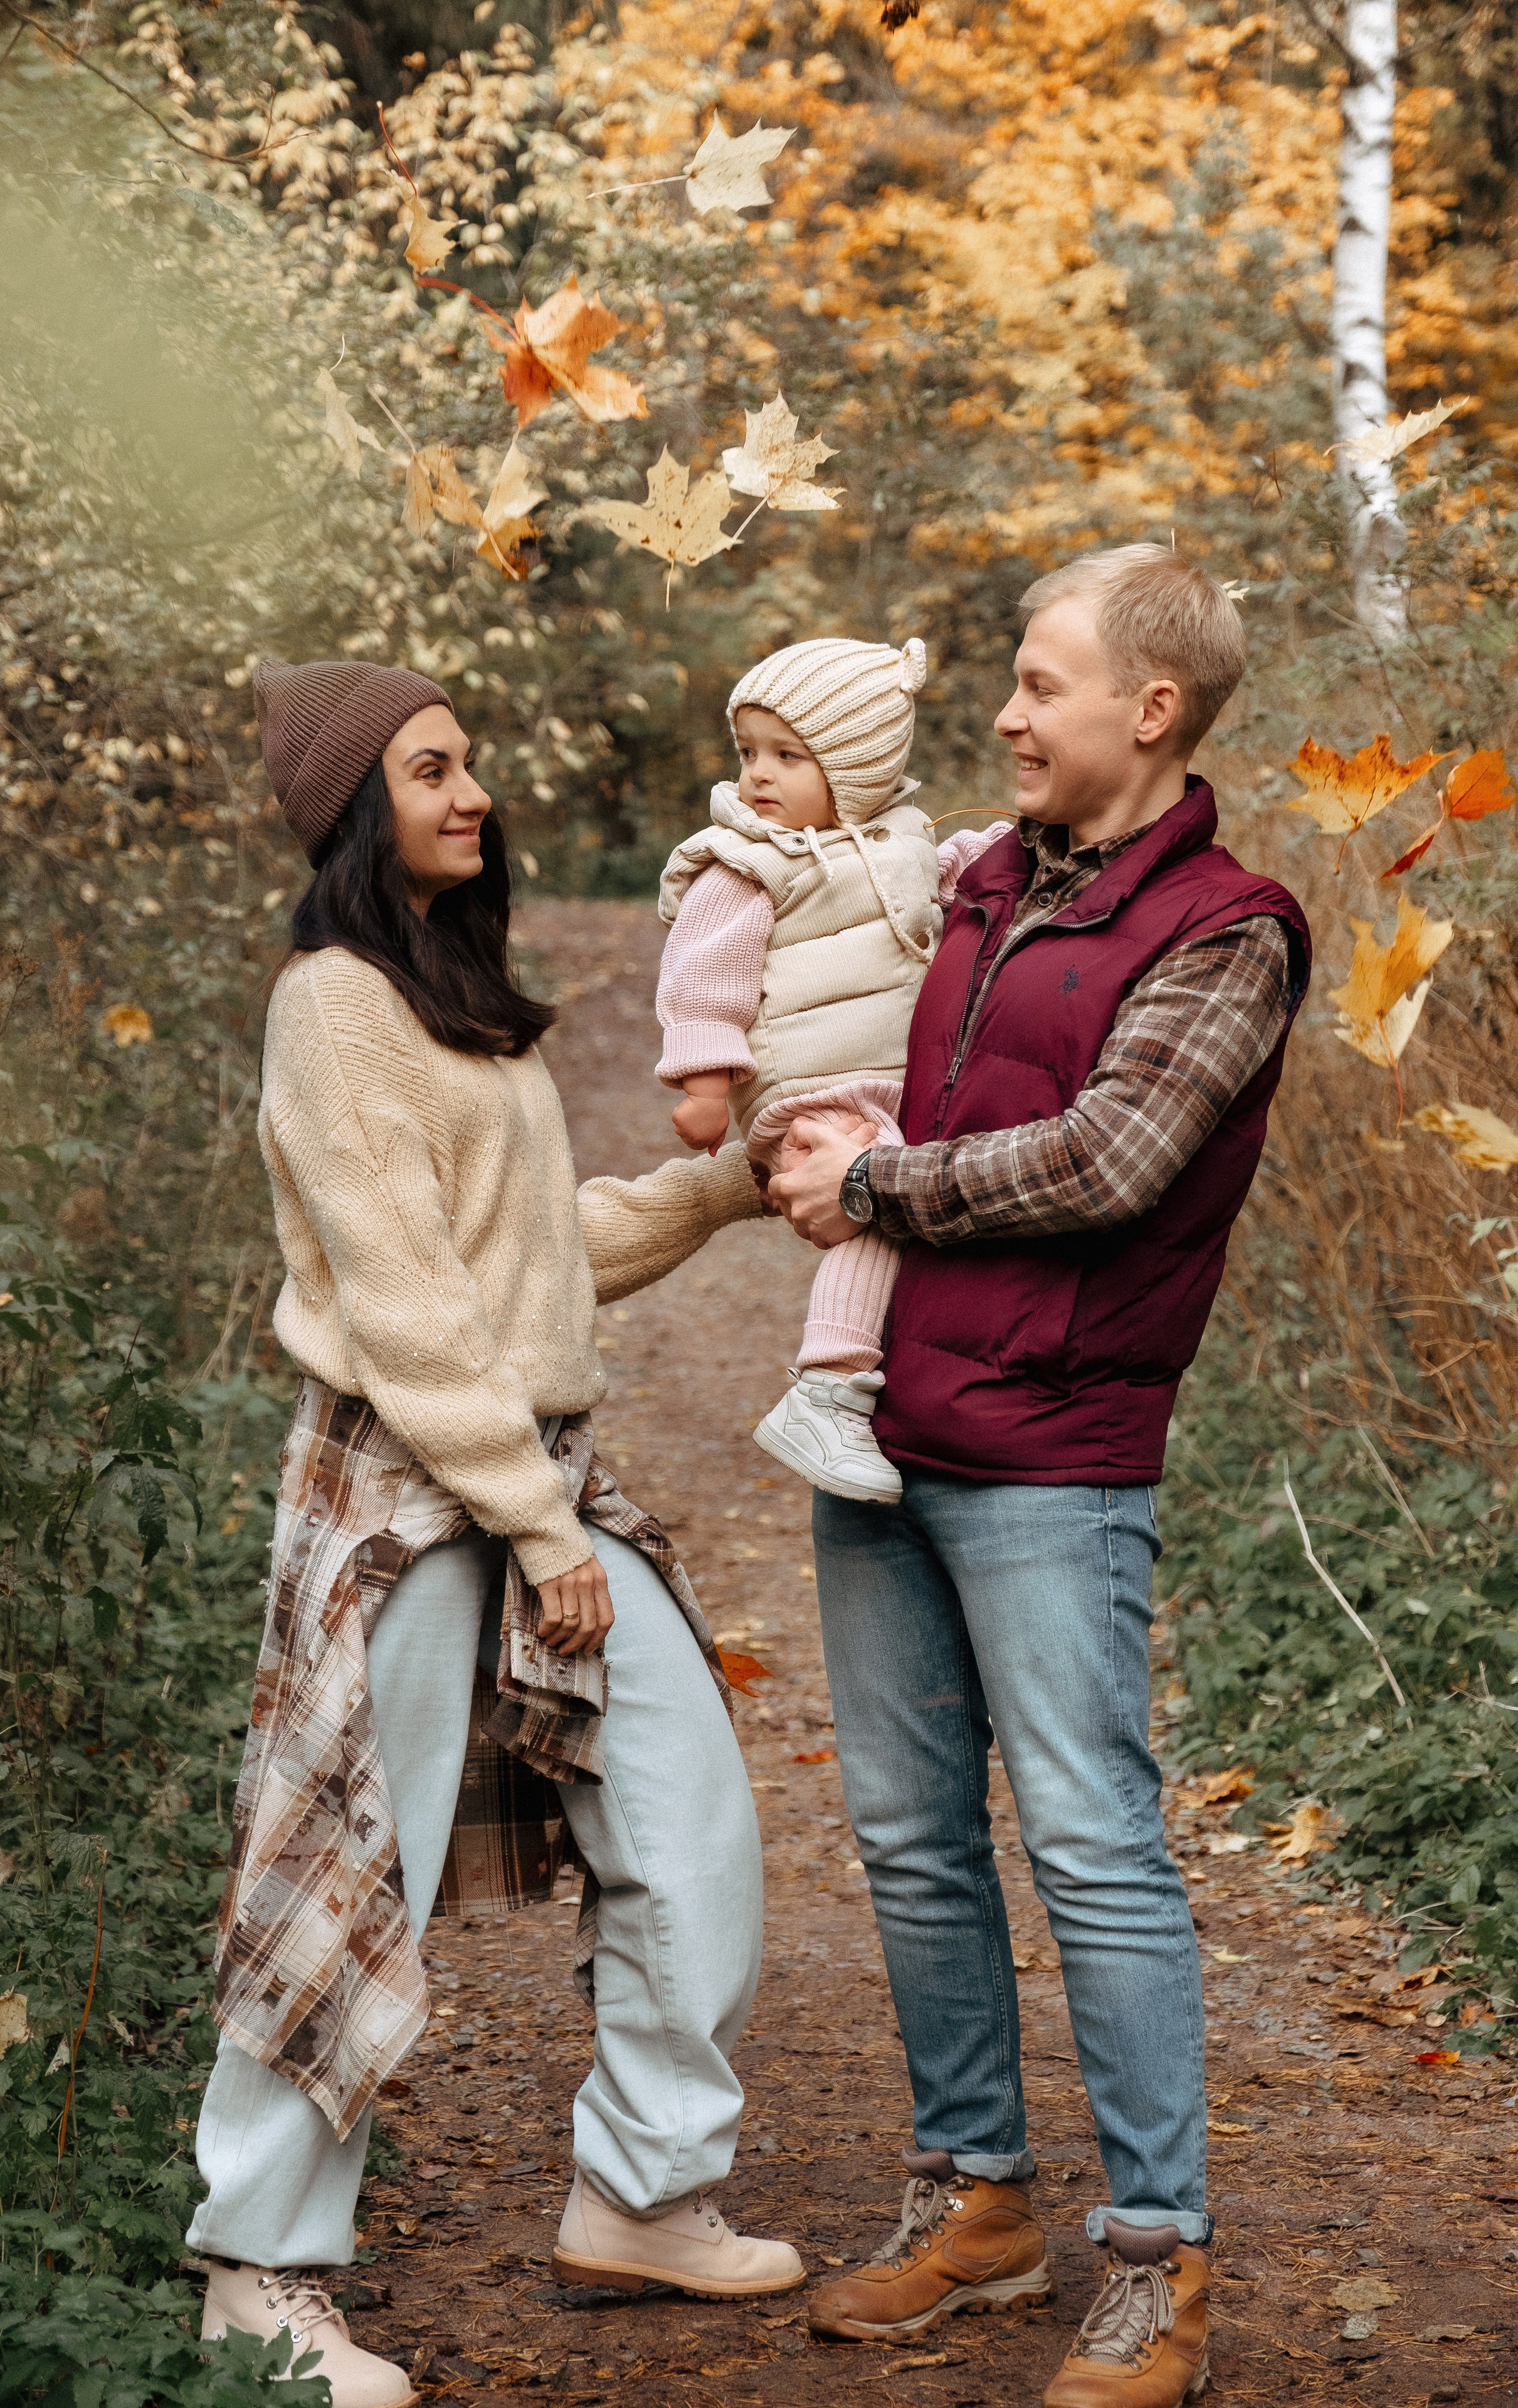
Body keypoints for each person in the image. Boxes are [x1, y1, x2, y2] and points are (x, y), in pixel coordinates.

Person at [187, 658, 803, 2408]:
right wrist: (539, 1531)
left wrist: (716, 1190)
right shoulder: (329, 1006)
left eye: (472, 760)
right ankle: (260, 2273)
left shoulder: (445, 996)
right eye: (434, 768)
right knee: (339, 1867)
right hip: (404, 1494)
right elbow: (403, 1305)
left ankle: (647, 2192)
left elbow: (520, 1261)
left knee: (691, 1819)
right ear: (351, 805)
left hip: (525, 1476)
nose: (474, 793)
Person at [767, 549, 1311, 2408]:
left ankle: (1158, 2264)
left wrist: (877, 1189)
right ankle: (977, 2203)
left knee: (1090, 1847)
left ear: (1149, 711)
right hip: (884, 1432)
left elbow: (1115, 1160)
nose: (1005, 712)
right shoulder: (979, 884)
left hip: (1055, 1452)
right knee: (915, 1848)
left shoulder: (1232, 925)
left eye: (1038, 681)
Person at [655, 634, 1002, 1506]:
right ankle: (829, 1390)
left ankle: (860, 1381)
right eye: (747, 754)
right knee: (877, 1203)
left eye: (787, 755)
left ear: (858, 771)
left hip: (880, 1083)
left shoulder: (895, 841)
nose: (757, 776)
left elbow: (937, 887)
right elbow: (704, 977)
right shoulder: (748, 862)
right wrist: (702, 1087)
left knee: (909, 1199)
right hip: (813, 1089)